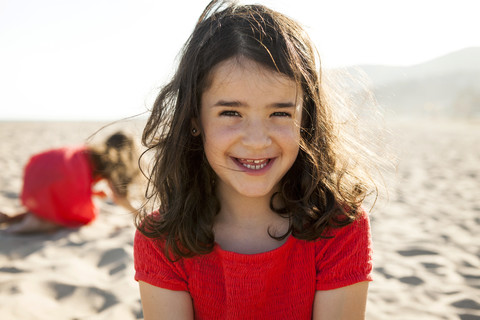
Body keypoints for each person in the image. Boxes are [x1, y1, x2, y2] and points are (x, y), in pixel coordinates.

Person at [134, 1, 382, 319]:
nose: (257, 140)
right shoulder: (162, 240)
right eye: (231, 113)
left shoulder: (338, 228)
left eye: (280, 112)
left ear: (306, 118)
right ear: (194, 118)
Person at [0, 131, 140, 234]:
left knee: (50, 205)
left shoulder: (90, 151)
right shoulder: (112, 160)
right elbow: (120, 197)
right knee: (86, 215)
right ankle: (31, 224)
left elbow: (77, 177)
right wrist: (137, 213)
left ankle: (12, 217)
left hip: (42, 166)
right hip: (63, 174)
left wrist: (93, 192)